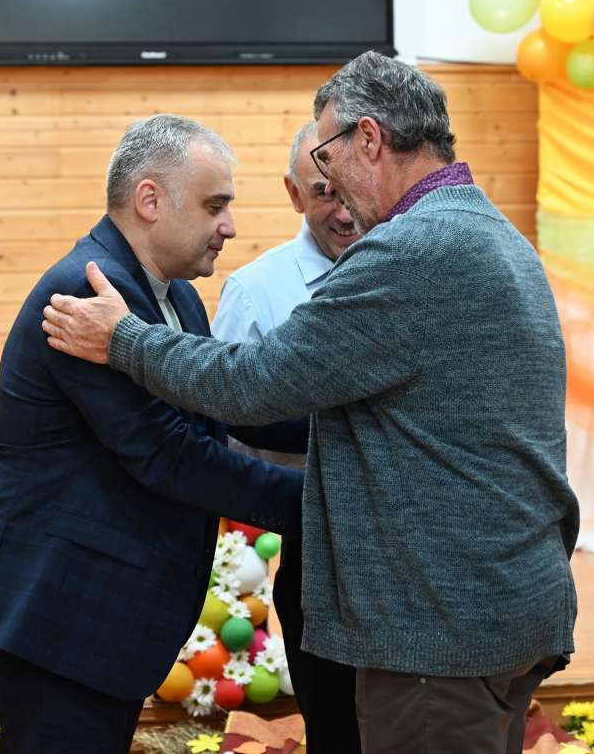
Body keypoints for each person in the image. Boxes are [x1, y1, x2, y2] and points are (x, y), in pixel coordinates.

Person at [41, 51, 580, 754]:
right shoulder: (493, 234)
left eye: (327, 154)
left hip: (440, 624)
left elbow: (253, 382)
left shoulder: (411, 249)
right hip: (504, 599)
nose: (330, 185)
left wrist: (124, 339)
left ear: (369, 139)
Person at [0, 114, 308, 753]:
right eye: (215, 205)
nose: (229, 226)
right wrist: (323, 503)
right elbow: (168, 454)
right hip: (54, 620)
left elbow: (219, 408)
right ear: (150, 200)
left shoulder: (177, 295)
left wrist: (342, 432)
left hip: (99, 624)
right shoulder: (86, 292)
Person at [211, 121, 361, 753]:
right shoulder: (255, 291)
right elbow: (223, 425)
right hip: (313, 552)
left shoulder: (416, 277)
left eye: (350, 190)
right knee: (333, 727)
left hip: (413, 561)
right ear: (294, 194)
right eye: (323, 192)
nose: (344, 210)